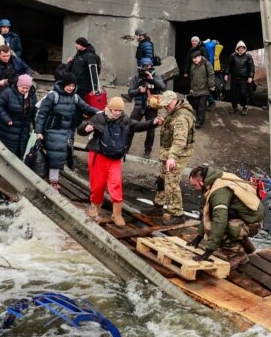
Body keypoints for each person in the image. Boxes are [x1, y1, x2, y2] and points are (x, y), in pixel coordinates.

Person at [79, 96, 162, 226]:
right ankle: (94, 208)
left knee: (116, 183)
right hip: (99, 155)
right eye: (115, 110)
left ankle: (116, 214)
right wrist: (85, 129)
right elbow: (81, 130)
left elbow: (138, 125)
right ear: (109, 109)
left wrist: (153, 122)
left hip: (115, 157)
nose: (117, 113)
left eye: (120, 110)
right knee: (98, 185)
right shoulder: (99, 118)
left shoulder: (124, 119)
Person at [187, 164, 266, 261]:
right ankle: (247, 247)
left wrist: (208, 252)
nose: (195, 188)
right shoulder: (217, 178)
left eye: (195, 185)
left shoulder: (219, 192)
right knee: (216, 219)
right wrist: (198, 237)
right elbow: (208, 212)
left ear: (201, 181)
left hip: (253, 222)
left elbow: (219, 222)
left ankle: (238, 256)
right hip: (249, 216)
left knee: (214, 227)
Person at [35, 73, 98, 192]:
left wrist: (100, 112)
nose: (71, 88)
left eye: (73, 86)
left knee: (61, 155)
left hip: (67, 130)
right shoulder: (53, 96)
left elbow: (86, 108)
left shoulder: (75, 97)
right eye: (69, 85)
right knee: (55, 155)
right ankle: (53, 181)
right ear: (63, 84)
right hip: (53, 129)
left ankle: (51, 178)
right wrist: (38, 131)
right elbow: (42, 114)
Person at [153, 91, 195, 221]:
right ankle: (158, 206)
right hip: (169, 152)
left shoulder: (181, 118)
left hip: (178, 154)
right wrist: (164, 121)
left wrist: (171, 157)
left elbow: (179, 141)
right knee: (161, 178)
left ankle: (177, 213)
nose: (166, 108)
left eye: (167, 105)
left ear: (175, 100)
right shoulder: (174, 111)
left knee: (171, 182)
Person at [126, 57, 165, 158]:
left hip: (152, 106)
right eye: (144, 66)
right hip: (139, 105)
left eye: (147, 67)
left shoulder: (156, 75)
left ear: (151, 66)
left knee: (151, 129)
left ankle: (148, 151)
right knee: (130, 126)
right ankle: (125, 148)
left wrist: (152, 79)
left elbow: (163, 87)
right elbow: (130, 93)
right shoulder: (137, 77)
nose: (146, 69)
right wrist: (139, 90)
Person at [0, 73, 36, 159]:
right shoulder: (8, 92)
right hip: (8, 128)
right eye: (22, 88)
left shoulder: (32, 95)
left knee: (20, 151)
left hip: (23, 128)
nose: (24, 90)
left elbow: (34, 110)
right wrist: (6, 119)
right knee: (7, 152)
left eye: (27, 88)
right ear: (17, 85)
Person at [224, 40, 255, 115]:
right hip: (234, 78)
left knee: (243, 93)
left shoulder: (248, 56)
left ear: (244, 48)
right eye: (239, 48)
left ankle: (245, 107)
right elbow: (228, 65)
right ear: (237, 48)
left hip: (243, 78)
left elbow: (251, 67)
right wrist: (226, 74)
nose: (241, 49)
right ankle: (234, 107)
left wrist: (251, 76)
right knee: (233, 93)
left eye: (242, 48)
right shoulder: (233, 55)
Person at [187, 48, 215, 129]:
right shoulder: (192, 66)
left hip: (204, 89)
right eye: (193, 58)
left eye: (196, 58)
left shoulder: (206, 64)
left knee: (202, 106)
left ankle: (200, 121)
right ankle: (199, 116)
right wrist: (191, 88)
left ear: (200, 57)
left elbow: (211, 74)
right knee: (196, 104)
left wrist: (211, 85)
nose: (194, 60)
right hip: (195, 90)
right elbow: (192, 78)